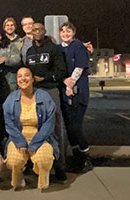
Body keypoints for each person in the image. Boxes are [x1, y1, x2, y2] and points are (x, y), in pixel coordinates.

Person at [3, 67, 58, 190]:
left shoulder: (44, 97)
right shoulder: (11, 99)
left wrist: (35, 144)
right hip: (19, 137)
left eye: (26, 75)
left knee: (43, 159)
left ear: (33, 79)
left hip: (40, 137)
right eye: (19, 76)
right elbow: (9, 124)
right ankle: (19, 175)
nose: (23, 78)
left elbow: (49, 124)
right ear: (16, 80)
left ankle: (43, 176)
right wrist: (20, 142)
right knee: (13, 161)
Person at [25, 23, 68, 181]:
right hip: (33, 93)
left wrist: (45, 78)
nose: (37, 32)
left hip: (50, 91)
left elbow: (61, 70)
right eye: (34, 30)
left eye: (40, 29)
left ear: (44, 31)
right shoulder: (29, 51)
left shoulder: (54, 48)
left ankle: (59, 166)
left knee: (55, 128)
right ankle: (35, 163)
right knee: (34, 128)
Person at [59, 22, 93, 173]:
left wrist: (69, 85)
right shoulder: (59, 49)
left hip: (78, 93)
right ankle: (76, 157)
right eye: (63, 31)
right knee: (69, 128)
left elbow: (79, 67)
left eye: (68, 31)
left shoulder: (78, 46)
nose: (65, 33)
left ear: (74, 32)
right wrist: (63, 82)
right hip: (65, 94)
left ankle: (86, 157)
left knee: (76, 127)